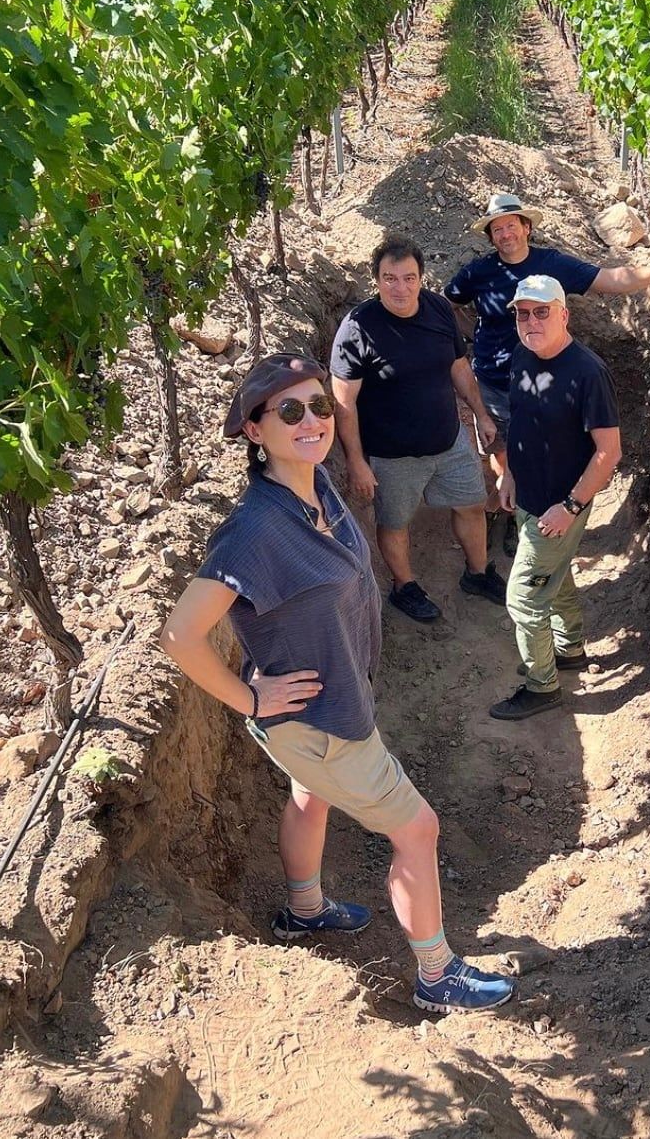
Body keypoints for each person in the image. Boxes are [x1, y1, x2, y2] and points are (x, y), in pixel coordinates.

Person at [159, 352, 515, 1014]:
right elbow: (179, 637)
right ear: (253, 431)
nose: (311, 420)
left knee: (309, 798)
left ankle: (304, 910)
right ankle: (437, 974)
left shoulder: (315, 487)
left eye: (319, 406)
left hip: (329, 708)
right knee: (418, 831)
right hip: (321, 724)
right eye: (288, 411)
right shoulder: (255, 533)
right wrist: (252, 698)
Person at [444, 193, 650, 556]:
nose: (505, 234)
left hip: (544, 382)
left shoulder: (551, 265)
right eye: (497, 229)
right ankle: (512, 511)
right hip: (494, 382)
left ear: (526, 228)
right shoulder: (478, 273)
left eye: (511, 225)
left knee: (539, 450)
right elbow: (447, 302)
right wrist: (469, 332)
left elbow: (613, 280)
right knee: (503, 454)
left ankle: (542, 519)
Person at [330, 234, 506, 624]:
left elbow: (459, 367)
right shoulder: (357, 329)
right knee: (395, 523)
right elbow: (344, 404)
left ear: (421, 278)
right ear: (375, 279)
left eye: (409, 278)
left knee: (473, 504)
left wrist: (481, 413)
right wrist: (357, 462)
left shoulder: (439, 310)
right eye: (390, 278)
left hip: (449, 441)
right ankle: (404, 586)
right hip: (393, 455)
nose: (401, 288)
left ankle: (477, 573)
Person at [492, 276, 622, 722]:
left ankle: (542, 685)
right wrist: (508, 472)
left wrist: (570, 507)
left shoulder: (588, 372)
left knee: (524, 600)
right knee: (556, 574)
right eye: (523, 313)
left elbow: (609, 452)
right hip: (528, 496)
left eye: (541, 311)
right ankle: (570, 651)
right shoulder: (522, 355)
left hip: (559, 506)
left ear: (564, 314)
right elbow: (520, 420)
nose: (531, 321)